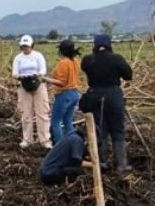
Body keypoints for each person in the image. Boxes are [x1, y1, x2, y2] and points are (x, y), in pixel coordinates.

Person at [81, 33, 134, 171]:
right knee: (117, 129)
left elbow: (84, 68)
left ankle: (101, 163)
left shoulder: (88, 60)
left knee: (100, 130)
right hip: (113, 95)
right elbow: (128, 75)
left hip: (95, 95)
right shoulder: (116, 59)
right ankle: (122, 164)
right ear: (109, 45)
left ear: (95, 45)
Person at [12, 35, 51, 149]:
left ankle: (45, 140)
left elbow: (43, 69)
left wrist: (37, 75)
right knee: (26, 113)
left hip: (38, 85)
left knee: (42, 113)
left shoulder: (38, 56)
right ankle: (27, 139)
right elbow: (15, 72)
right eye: (23, 46)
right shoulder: (18, 58)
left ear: (32, 46)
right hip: (24, 85)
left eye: (27, 46)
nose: (25, 48)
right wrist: (19, 76)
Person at [45, 40, 82, 144]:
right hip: (74, 93)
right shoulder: (75, 61)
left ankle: (60, 146)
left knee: (55, 122)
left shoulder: (63, 63)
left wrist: (45, 79)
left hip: (64, 95)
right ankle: (73, 145)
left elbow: (61, 82)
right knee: (67, 120)